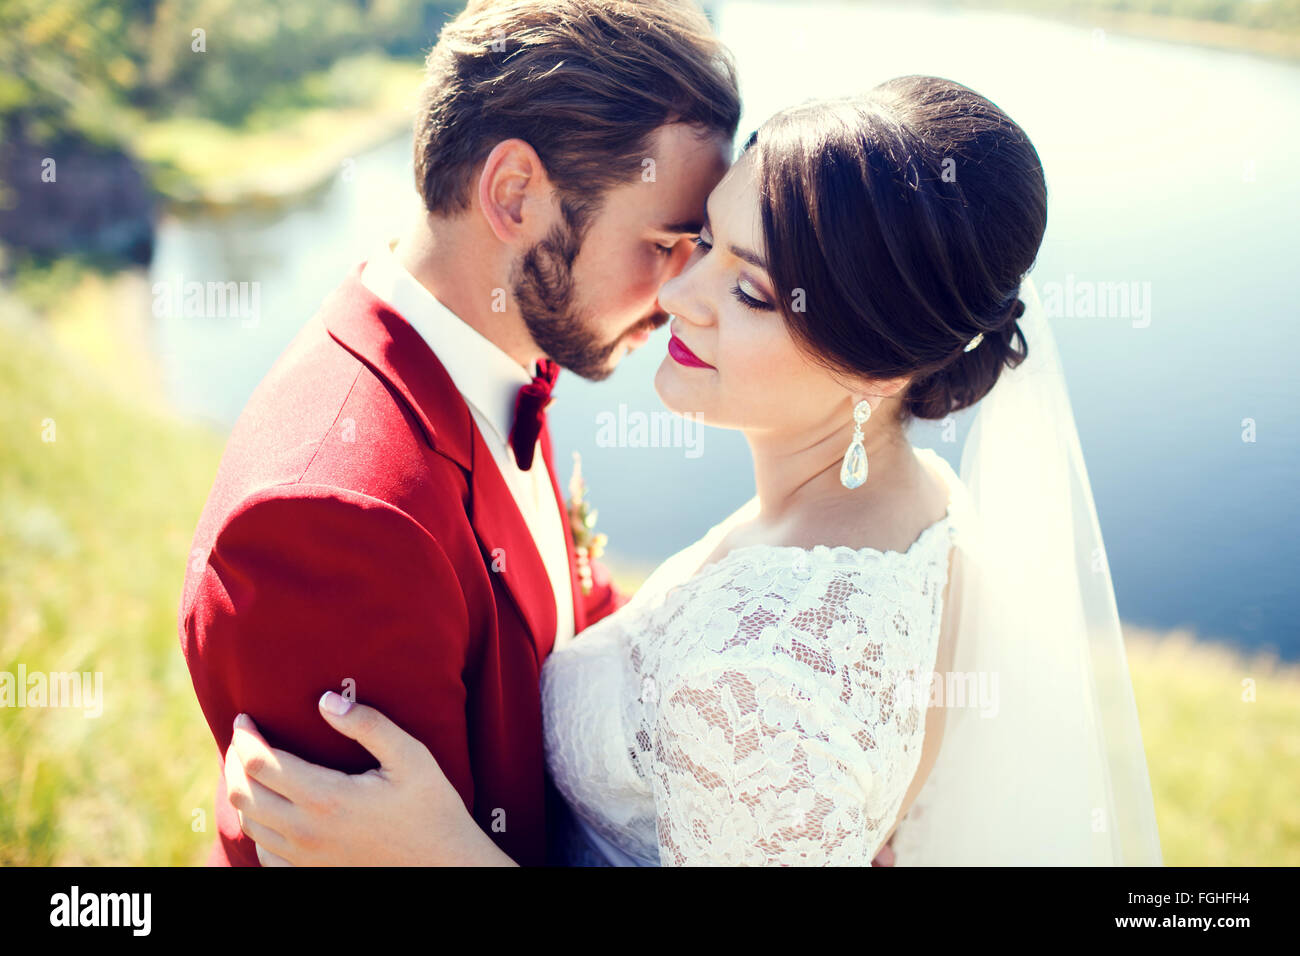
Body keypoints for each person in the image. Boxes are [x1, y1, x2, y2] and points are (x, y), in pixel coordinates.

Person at [221, 75, 1163, 866]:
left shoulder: (761, 686)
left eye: (749, 289)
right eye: (704, 240)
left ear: (879, 365)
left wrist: (447, 856)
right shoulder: (921, 513)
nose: (677, 294)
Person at [178, 0, 741, 867]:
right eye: (666, 242)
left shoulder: (500, 355)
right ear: (515, 194)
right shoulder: (332, 524)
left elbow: (562, 629)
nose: (679, 293)